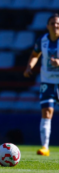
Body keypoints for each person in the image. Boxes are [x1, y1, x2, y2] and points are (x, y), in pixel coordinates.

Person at [24, 13, 59, 157]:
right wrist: (29, 67)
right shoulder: (42, 40)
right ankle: (45, 147)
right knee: (46, 113)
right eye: (52, 23)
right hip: (47, 82)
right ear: (47, 26)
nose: (55, 26)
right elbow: (34, 54)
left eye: (57, 23)